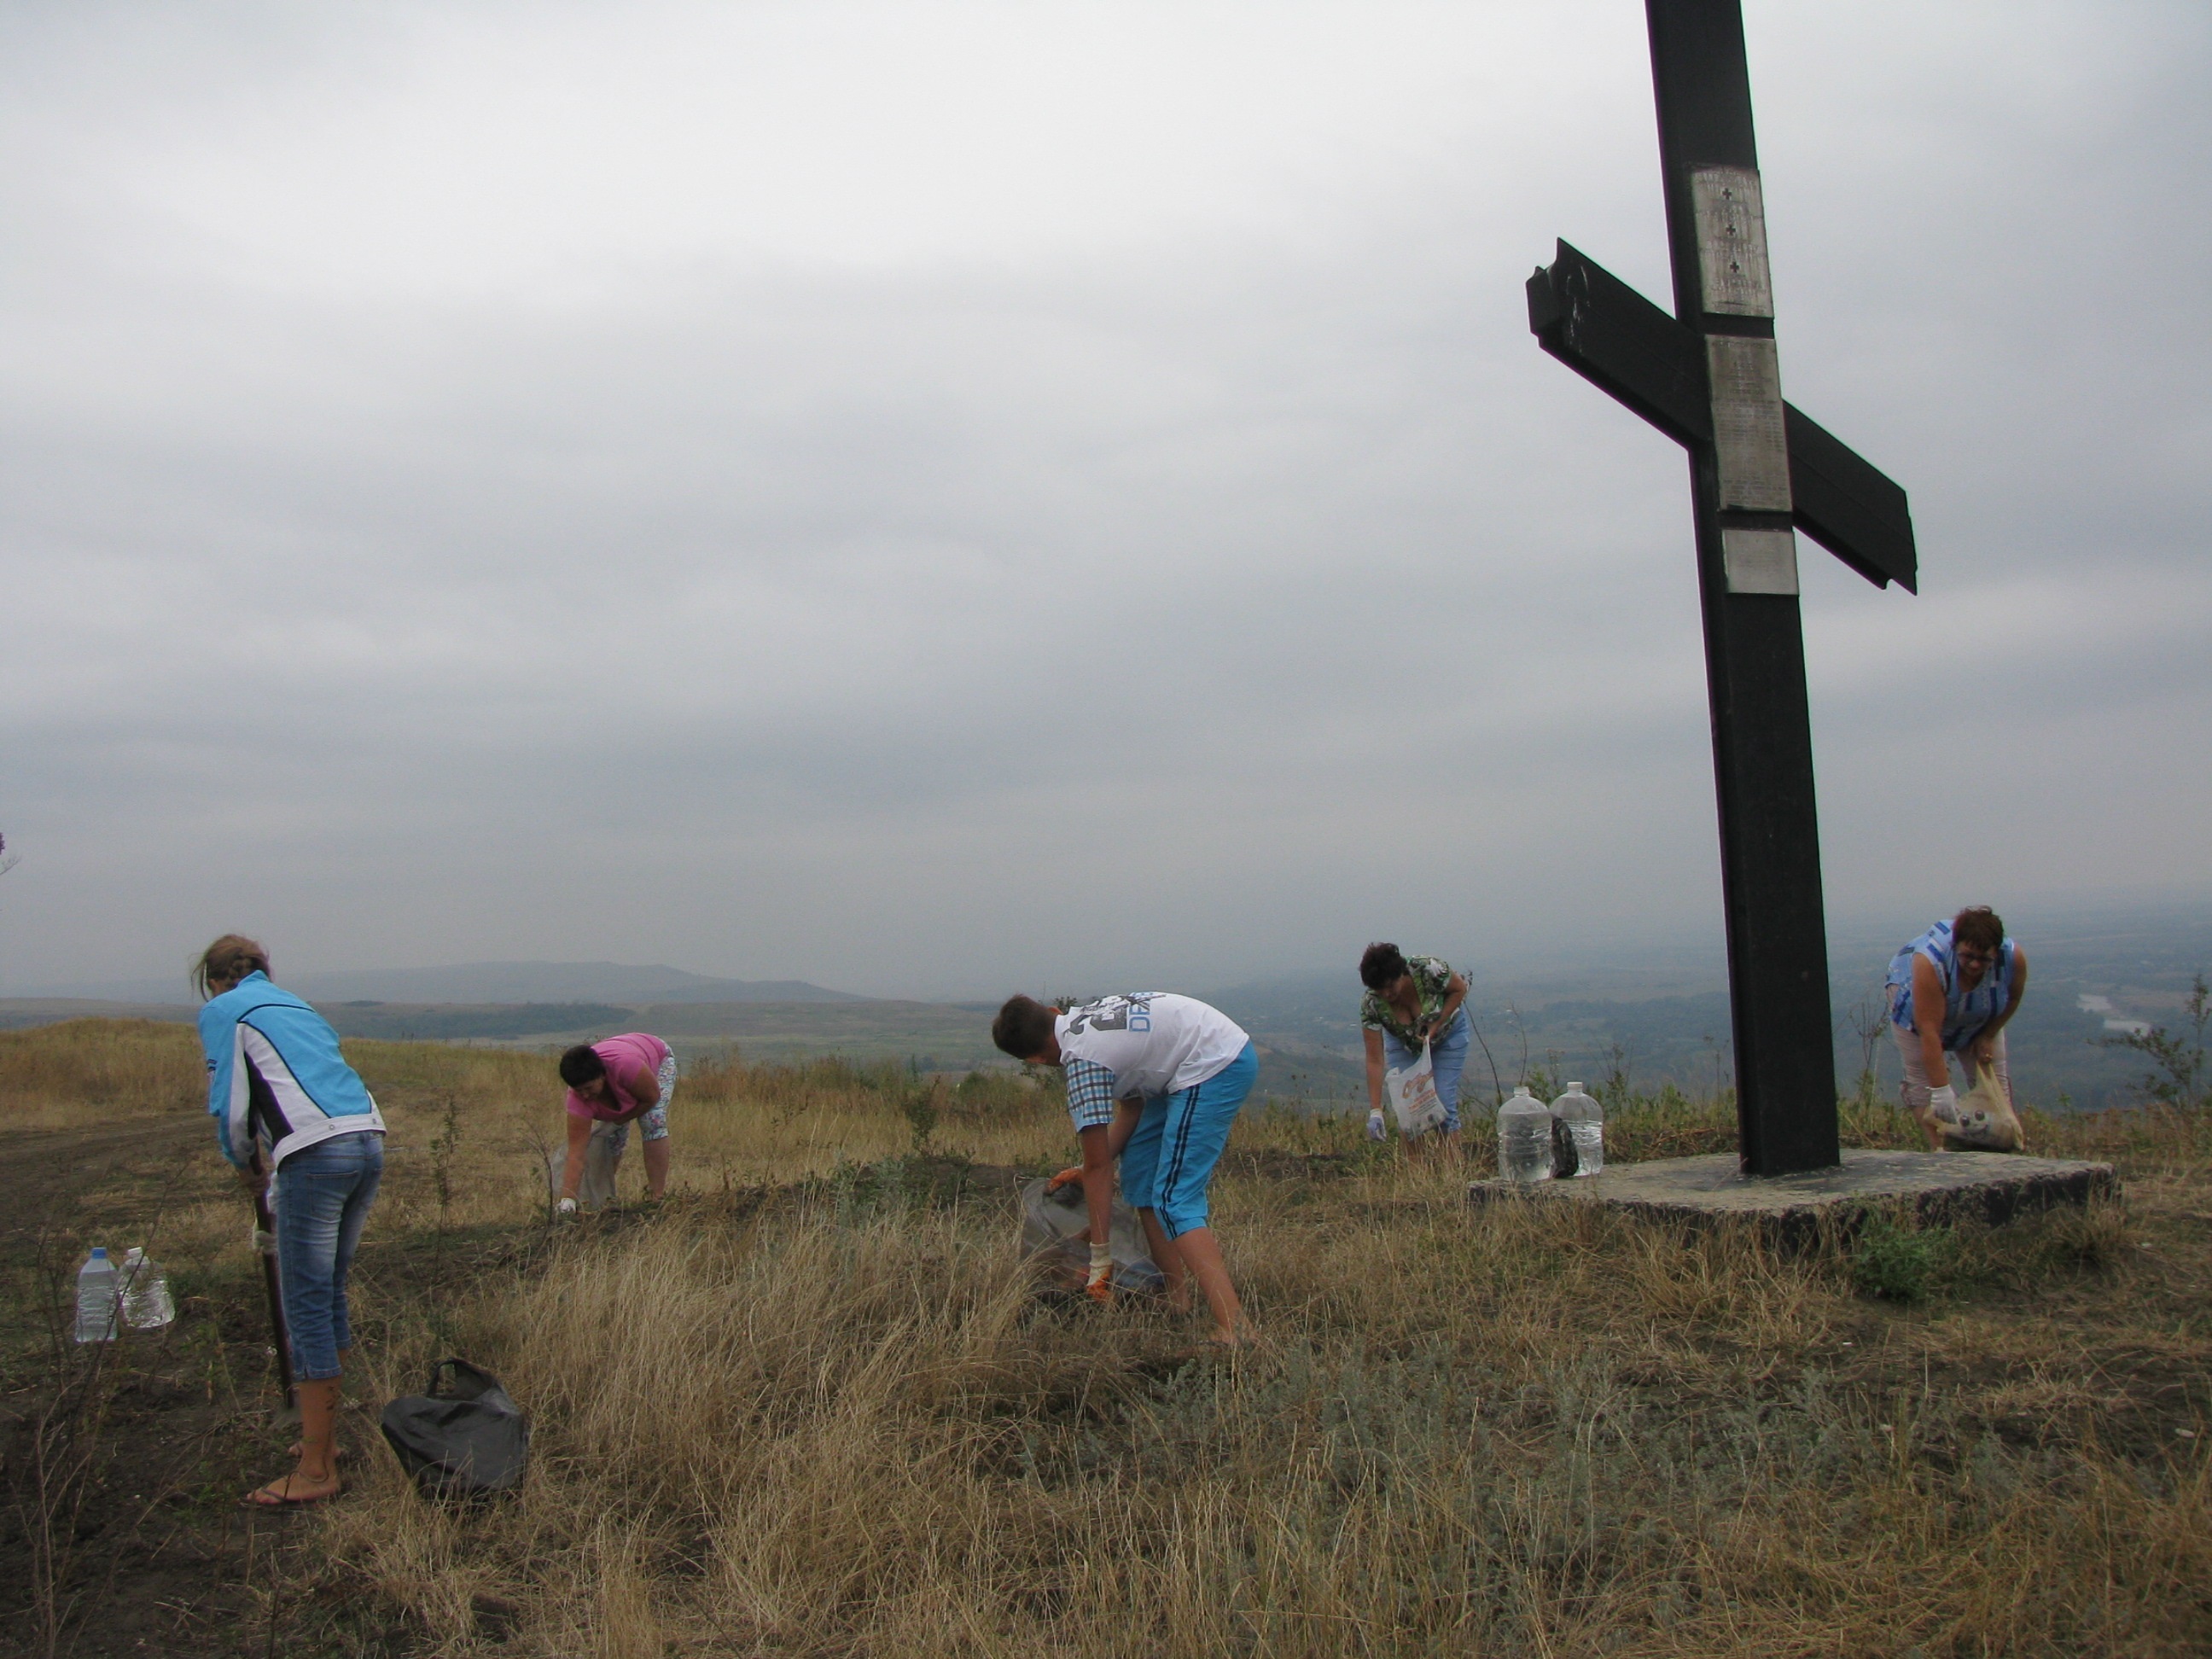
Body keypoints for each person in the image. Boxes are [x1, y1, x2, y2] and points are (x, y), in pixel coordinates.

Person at [195, 934, 385, 1507]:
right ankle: (321, 1442)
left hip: (314, 1153)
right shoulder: (294, 1004)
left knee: (302, 1302)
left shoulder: (222, 1011)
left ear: (213, 980)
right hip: (368, 1139)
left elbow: (231, 1107)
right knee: (327, 1293)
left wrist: (246, 1164)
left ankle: (318, 1470)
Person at [992, 992, 1259, 1347]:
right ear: (1054, 1013)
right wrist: (1083, 1170)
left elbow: (1100, 1167)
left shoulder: (1082, 1062)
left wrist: (1100, 1260)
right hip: (1194, 1058)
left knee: (1174, 1200)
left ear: (1037, 1059)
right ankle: (1176, 1299)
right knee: (1141, 1179)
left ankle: (1236, 1330)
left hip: (1213, 1064)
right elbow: (1131, 1111)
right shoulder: (1083, 1021)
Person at [1886, 906, 2029, 1150]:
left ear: (1996, 952)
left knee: (1995, 1084)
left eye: (1984, 959)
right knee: (1923, 1085)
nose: (1974, 965)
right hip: (1918, 1012)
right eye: (1967, 956)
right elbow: (1929, 1030)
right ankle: (1940, 1149)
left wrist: (1988, 1034)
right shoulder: (1929, 961)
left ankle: (1999, 1149)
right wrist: (1941, 1090)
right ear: (1956, 947)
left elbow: (2013, 999)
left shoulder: (2013, 958)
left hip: (1981, 1014)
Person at [1359, 943, 1471, 1153]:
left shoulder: (1429, 969)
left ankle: (1453, 1170)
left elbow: (1459, 989)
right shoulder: (1371, 1004)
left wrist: (1436, 1024)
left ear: (1401, 974)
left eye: (1390, 986)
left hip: (1448, 1035)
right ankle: (1416, 1173)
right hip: (1405, 1044)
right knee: (1409, 1109)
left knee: (1443, 1103)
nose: (1386, 994)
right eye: (1379, 989)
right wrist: (1375, 1111)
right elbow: (1374, 1059)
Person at [556, 1033, 678, 1211]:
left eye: (589, 1088)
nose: (585, 1096)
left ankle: (656, 1198)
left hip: (657, 1058)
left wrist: (619, 1120)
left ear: (602, 1075)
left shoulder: (626, 1067)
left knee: (652, 1120)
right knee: (608, 1137)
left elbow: (651, 1098)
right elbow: (576, 1152)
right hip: (625, 1065)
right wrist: (568, 1200)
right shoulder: (577, 1099)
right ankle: (604, 1198)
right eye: (579, 1090)